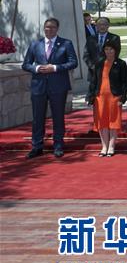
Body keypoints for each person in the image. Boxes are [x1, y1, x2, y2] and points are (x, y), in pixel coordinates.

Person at [23, 18, 78, 159]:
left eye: (52, 27)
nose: (49, 29)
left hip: (58, 86)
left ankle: (58, 145)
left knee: (58, 117)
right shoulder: (35, 44)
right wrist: (36, 68)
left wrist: (55, 68)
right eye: (47, 27)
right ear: (44, 28)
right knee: (37, 117)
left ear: (57, 29)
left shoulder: (66, 43)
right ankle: (37, 146)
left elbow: (73, 62)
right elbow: (26, 64)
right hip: (39, 86)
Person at [89, 39, 127, 156]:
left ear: (115, 50)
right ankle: (104, 146)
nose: (109, 51)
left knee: (113, 121)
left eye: (111, 49)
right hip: (100, 97)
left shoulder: (121, 63)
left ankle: (111, 146)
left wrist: (123, 98)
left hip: (114, 97)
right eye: (106, 49)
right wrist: (91, 96)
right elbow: (94, 81)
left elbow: (124, 82)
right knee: (102, 122)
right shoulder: (99, 63)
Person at [83, 17, 121, 86]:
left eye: (104, 24)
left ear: (108, 25)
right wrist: (93, 67)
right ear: (96, 26)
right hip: (94, 74)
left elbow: (116, 54)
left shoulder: (115, 38)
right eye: (100, 24)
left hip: (109, 72)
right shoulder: (90, 39)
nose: (102, 26)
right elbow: (86, 55)